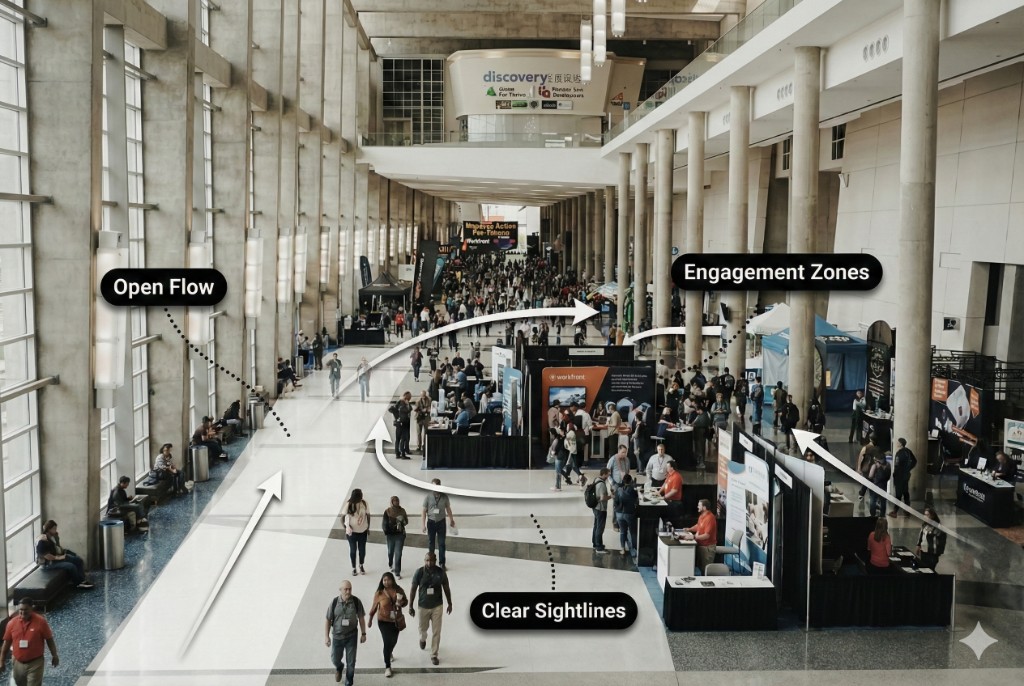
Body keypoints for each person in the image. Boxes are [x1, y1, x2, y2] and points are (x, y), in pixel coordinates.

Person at [408, 552, 452, 666]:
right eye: (427, 560)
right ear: (424, 560)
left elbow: (446, 587)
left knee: (436, 631)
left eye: (431, 560)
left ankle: (434, 654)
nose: (429, 562)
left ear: (435, 560)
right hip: (423, 605)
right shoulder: (419, 572)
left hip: (437, 605)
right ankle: (422, 639)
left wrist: (450, 603)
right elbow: (413, 589)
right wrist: (410, 605)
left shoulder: (440, 572)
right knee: (423, 629)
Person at [2, 599, 59, 686]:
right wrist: (1, 661)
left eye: (26, 609)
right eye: (21, 609)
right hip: (18, 662)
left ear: (31, 609)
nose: (22, 612)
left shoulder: (41, 622)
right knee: (19, 683)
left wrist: (54, 655)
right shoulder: (12, 623)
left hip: (35, 662)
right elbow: (6, 643)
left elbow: (49, 640)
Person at [324, 580, 366, 686]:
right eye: (345, 589)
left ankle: (349, 681)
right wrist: (326, 636)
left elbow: (361, 618)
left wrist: (363, 633)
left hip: (351, 636)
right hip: (337, 637)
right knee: (334, 659)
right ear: (340, 590)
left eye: (350, 589)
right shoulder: (334, 603)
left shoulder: (356, 601)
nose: (348, 591)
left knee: (351, 662)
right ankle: (339, 667)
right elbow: (328, 620)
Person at [366, 572, 408, 678]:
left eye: (388, 579)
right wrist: (370, 619)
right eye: (384, 580)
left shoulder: (399, 590)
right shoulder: (379, 593)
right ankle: (387, 667)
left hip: (396, 620)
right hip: (383, 621)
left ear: (392, 580)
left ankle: (389, 652)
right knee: (387, 642)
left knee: (393, 641)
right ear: (382, 581)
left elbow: (406, 601)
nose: (386, 582)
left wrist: (401, 602)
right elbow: (374, 607)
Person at [36, 520, 94, 589]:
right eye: (54, 529)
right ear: (49, 529)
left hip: (56, 557)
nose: (55, 530)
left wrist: (57, 539)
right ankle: (77, 583)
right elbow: (47, 556)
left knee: (78, 560)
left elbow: (57, 547)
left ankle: (82, 580)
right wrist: (58, 558)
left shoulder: (52, 537)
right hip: (49, 563)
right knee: (71, 566)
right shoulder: (42, 540)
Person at [422, 480, 455, 570]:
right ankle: (431, 561)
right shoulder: (428, 497)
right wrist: (423, 525)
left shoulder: (444, 497)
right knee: (431, 543)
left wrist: (451, 519)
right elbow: (424, 511)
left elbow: (448, 509)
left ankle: (442, 563)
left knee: (441, 543)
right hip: (431, 522)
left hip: (441, 522)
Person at [684, 498, 718, 573]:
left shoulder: (710, 518)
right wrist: (689, 529)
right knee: (701, 568)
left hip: (707, 548)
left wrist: (693, 537)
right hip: (701, 546)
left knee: (706, 570)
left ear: (704, 507)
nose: (697, 507)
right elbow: (698, 526)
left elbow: (706, 536)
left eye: (699, 505)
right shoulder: (702, 516)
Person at [344, 489, 370, 576]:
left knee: (362, 550)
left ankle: (361, 565)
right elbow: (342, 517)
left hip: (363, 532)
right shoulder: (349, 504)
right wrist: (346, 527)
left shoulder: (364, 503)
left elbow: (368, 515)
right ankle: (354, 568)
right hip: (352, 533)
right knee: (353, 550)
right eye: (360, 495)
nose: (362, 497)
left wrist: (368, 527)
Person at [382, 496, 409, 579]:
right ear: (391, 502)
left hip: (400, 534)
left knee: (398, 553)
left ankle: (397, 572)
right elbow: (384, 523)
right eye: (394, 501)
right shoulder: (387, 511)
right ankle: (390, 563)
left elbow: (406, 522)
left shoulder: (402, 510)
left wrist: (401, 520)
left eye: (397, 500)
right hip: (390, 535)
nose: (396, 502)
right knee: (390, 551)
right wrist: (386, 531)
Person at [889, 437, 918, 515]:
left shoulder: (899, 453)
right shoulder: (908, 451)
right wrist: (908, 468)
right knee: (905, 492)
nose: (896, 443)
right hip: (906, 475)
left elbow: (897, 465)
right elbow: (914, 461)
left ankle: (895, 511)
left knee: (898, 493)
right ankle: (907, 510)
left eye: (898, 442)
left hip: (899, 476)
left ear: (901, 443)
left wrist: (895, 474)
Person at [614, 474, 639, 557]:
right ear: (631, 481)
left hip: (619, 514)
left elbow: (615, 501)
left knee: (622, 531)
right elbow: (636, 499)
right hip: (629, 513)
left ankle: (622, 549)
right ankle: (634, 550)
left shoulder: (618, 489)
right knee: (633, 532)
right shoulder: (632, 490)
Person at [590, 468, 611, 554]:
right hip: (601, 508)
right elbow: (602, 498)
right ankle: (599, 547)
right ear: (604, 474)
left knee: (596, 526)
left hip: (595, 507)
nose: (609, 476)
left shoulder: (596, 480)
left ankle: (595, 544)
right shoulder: (602, 484)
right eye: (608, 474)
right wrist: (611, 496)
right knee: (600, 528)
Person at [856, 436, 881, 501]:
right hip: (870, 468)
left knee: (867, 481)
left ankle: (862, 494)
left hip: (867, 467)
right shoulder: (876, 448)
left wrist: (859, 468)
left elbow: (861, 458)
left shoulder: (866, 448)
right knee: (870, 481)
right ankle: (867, 495)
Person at [389, 391, 413, 459]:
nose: (410, 398)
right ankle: (402, 453)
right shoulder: (403, 404)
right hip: (403, 424)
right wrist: (407, 405)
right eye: (409, 397)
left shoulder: (399, 403)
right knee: (403, 438)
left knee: (398, 439)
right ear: (407, 397)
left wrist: (396, 416)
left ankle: (397, 453)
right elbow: (407, 410)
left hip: (399, 423)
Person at [868, 453, 891, 517]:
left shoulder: (874, 466)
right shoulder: (888, 465)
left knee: (873, 501)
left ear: (878, 460)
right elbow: (889, 476)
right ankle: (882, 515)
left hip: (875, 486)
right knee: (883, 502)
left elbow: (870, 476)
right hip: (884, 486)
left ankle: (873, 515)